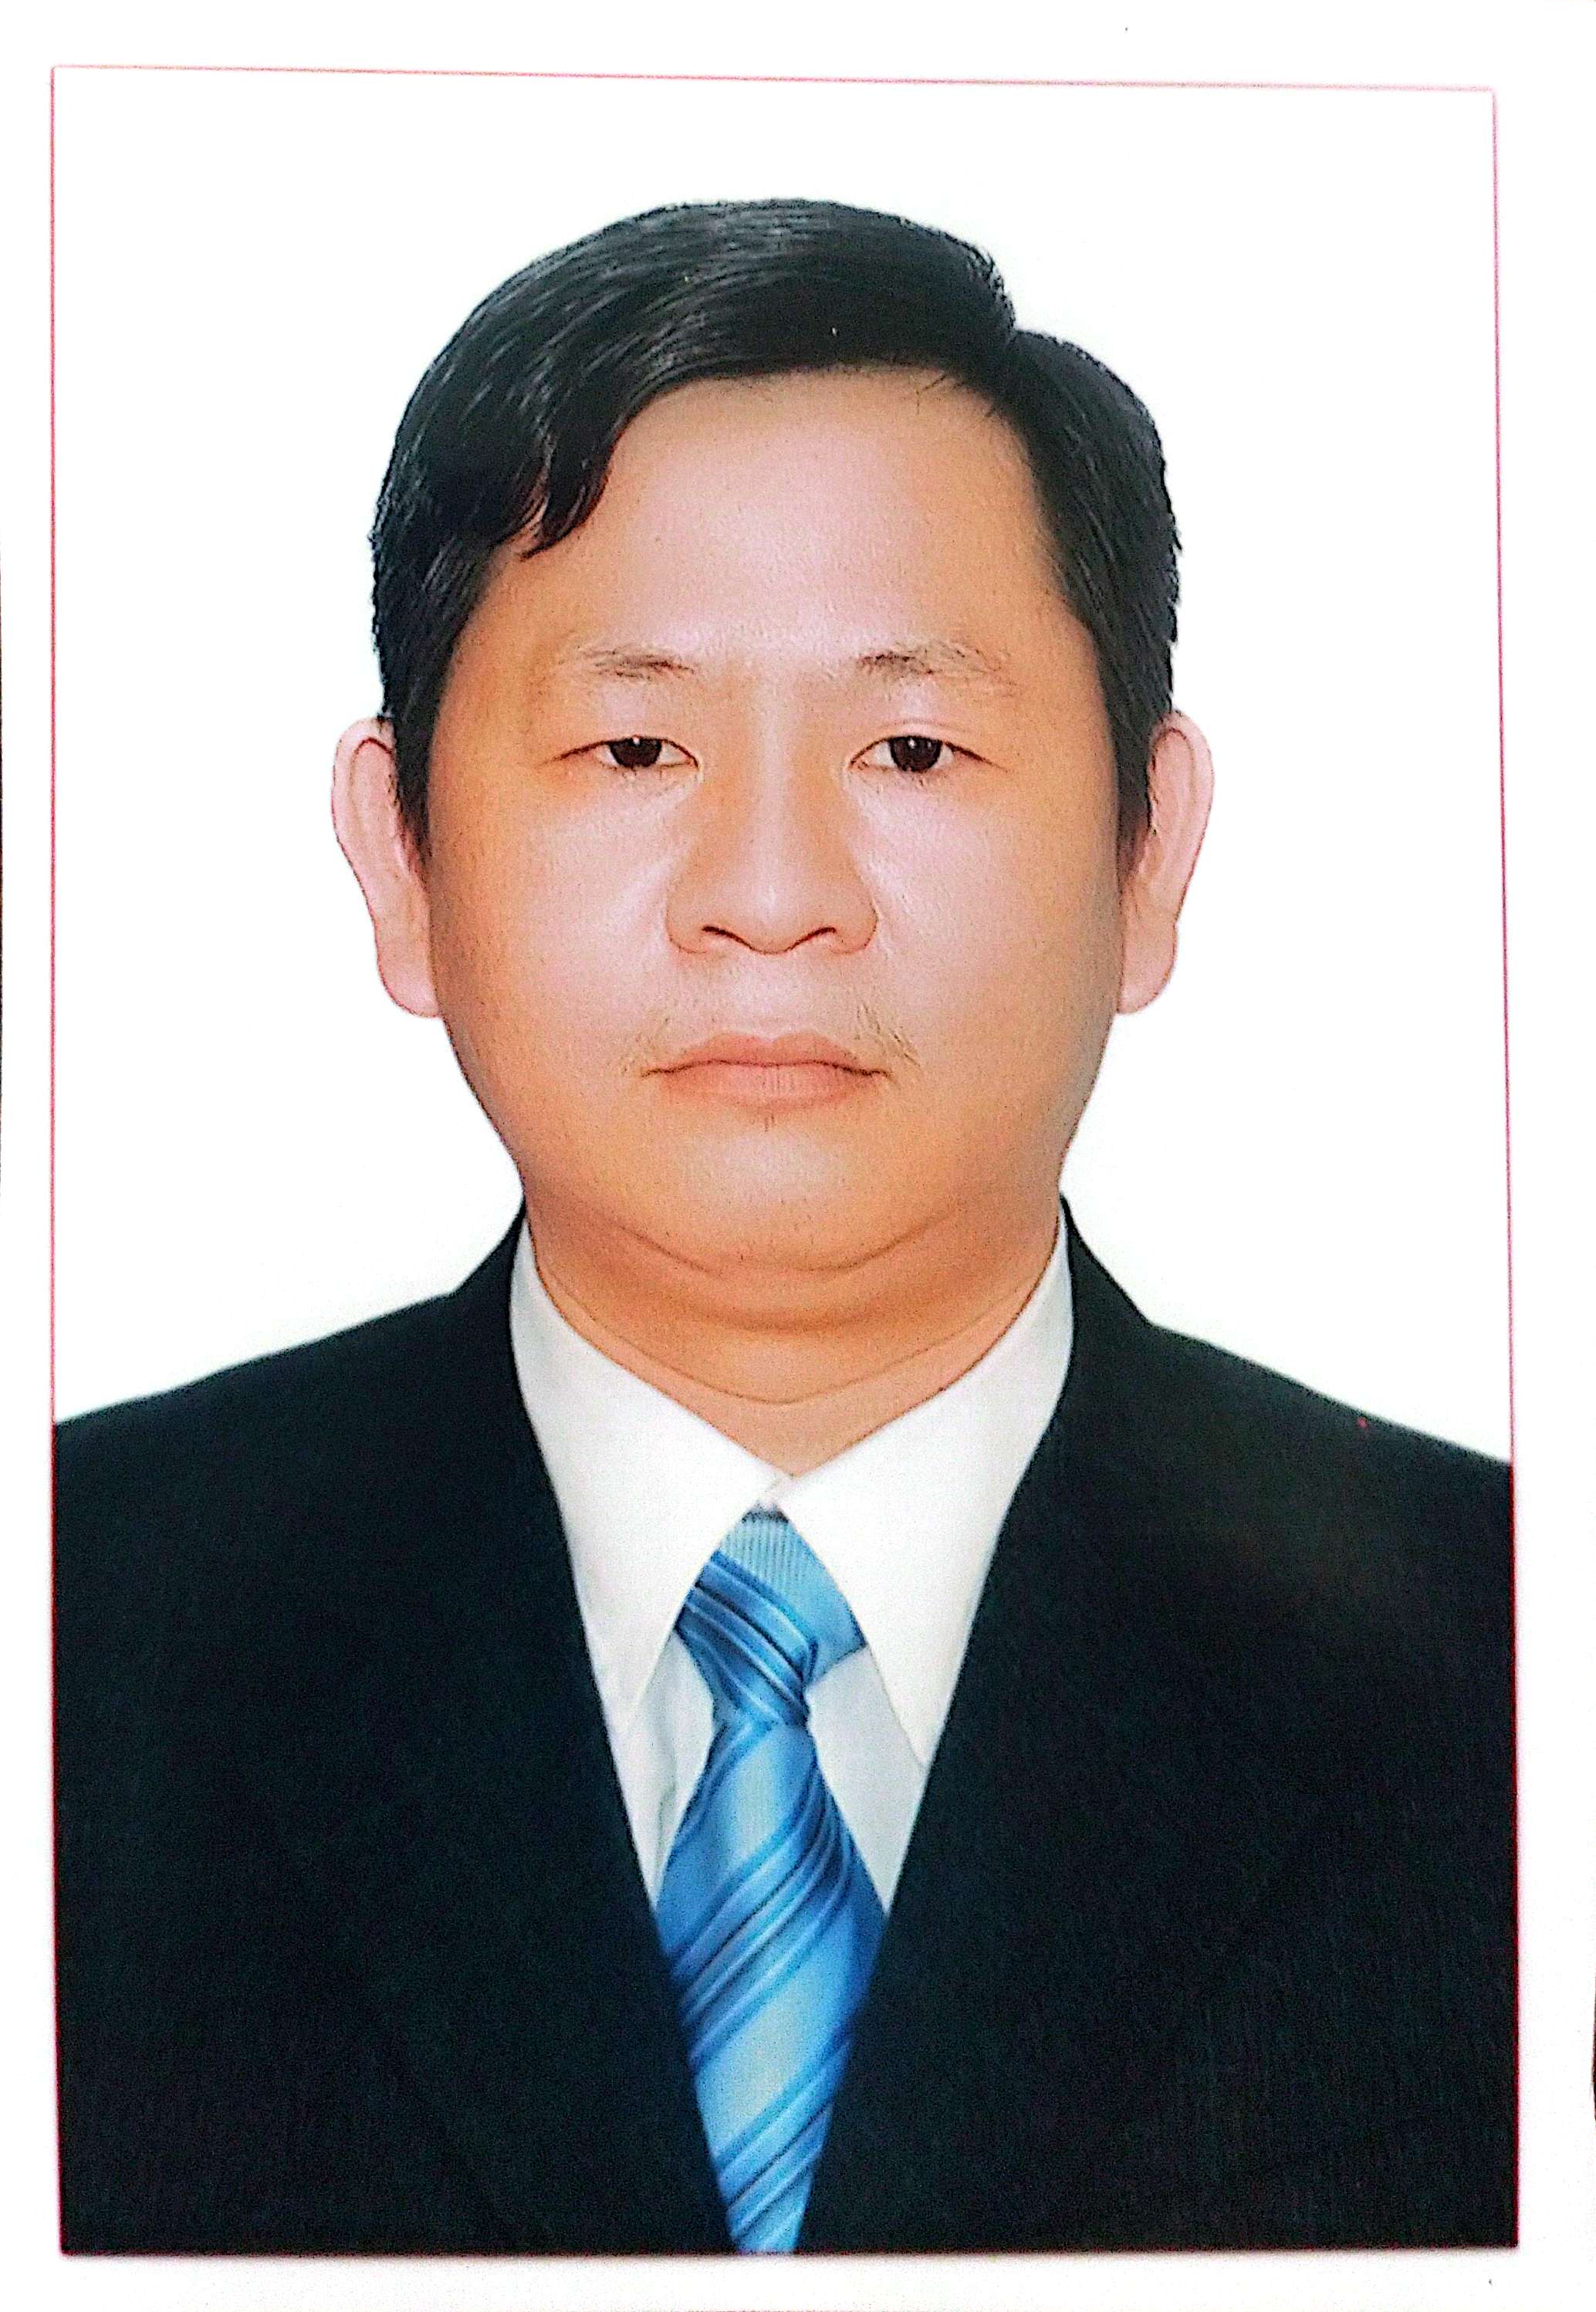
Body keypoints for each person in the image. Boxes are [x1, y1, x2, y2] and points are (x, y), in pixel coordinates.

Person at [54, 198, 1514, 2257]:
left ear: (1148, 852)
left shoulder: (1519, 1663)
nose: (768, 893)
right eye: (633, 745)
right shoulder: (69, 1628)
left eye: (910, 747)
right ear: (401, 860)